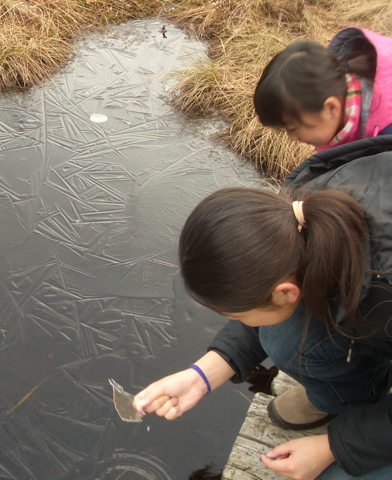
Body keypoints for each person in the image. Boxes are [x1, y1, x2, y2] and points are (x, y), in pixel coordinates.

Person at [133, 136, 392, 480]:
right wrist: (202, 376)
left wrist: (333, 446)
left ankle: (361, 405)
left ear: (286, 292)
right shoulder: (297, 221)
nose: (236, 320)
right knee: (284, 335)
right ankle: (346, 398)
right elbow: (263, 301)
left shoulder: (383, 299)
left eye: (238, 314)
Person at [253, 27, 392, 151]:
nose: (291, 138)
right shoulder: (334, 119)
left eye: (293, 128)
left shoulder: (387, 135)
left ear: (331, 108)